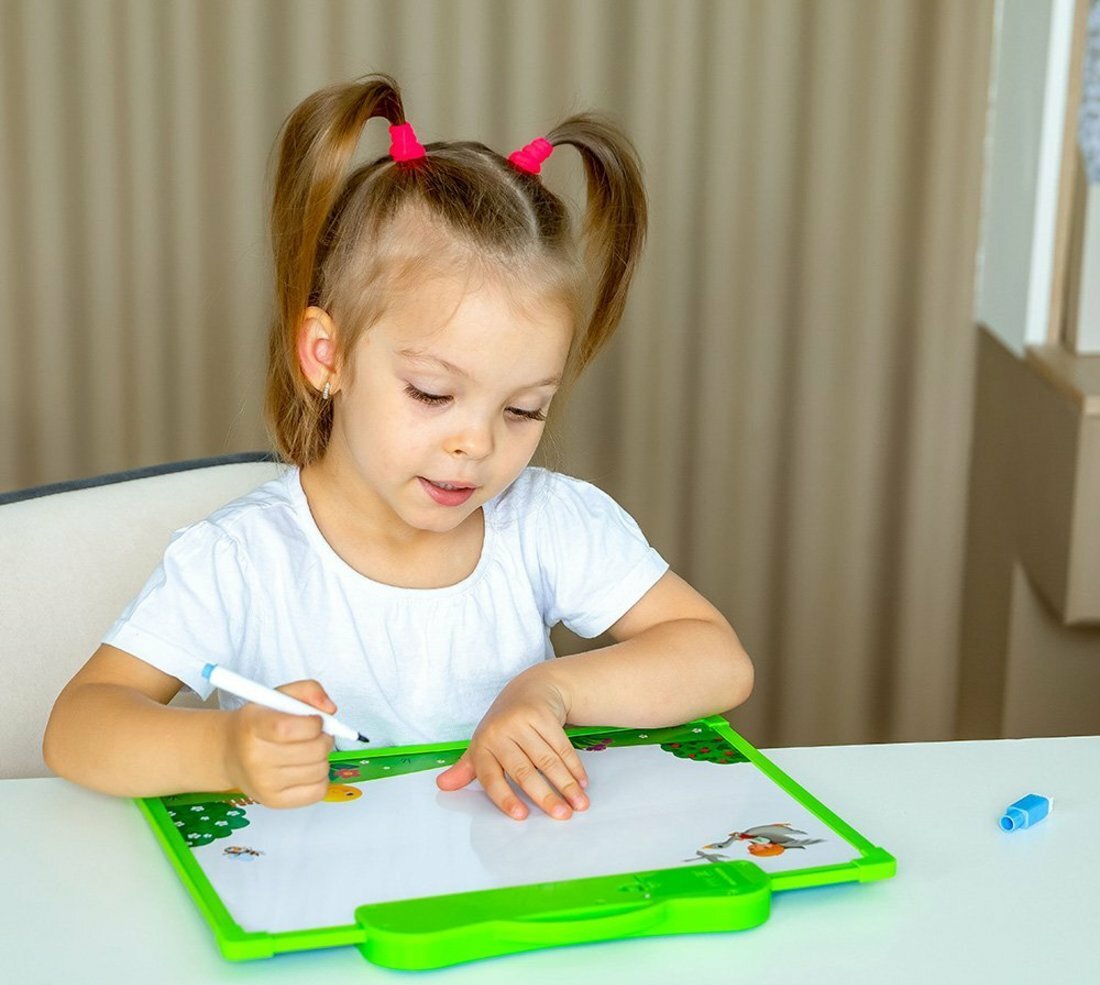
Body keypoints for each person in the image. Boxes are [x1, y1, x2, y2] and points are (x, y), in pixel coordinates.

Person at [43, 73, 753, 821]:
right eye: (432, 394)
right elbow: (79, 727)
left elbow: (715, 658)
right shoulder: (243, 559)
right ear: (327, 356)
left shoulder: (545, 523)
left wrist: (550, 690)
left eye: (523, 409)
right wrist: (223, 750)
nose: (476, 443)